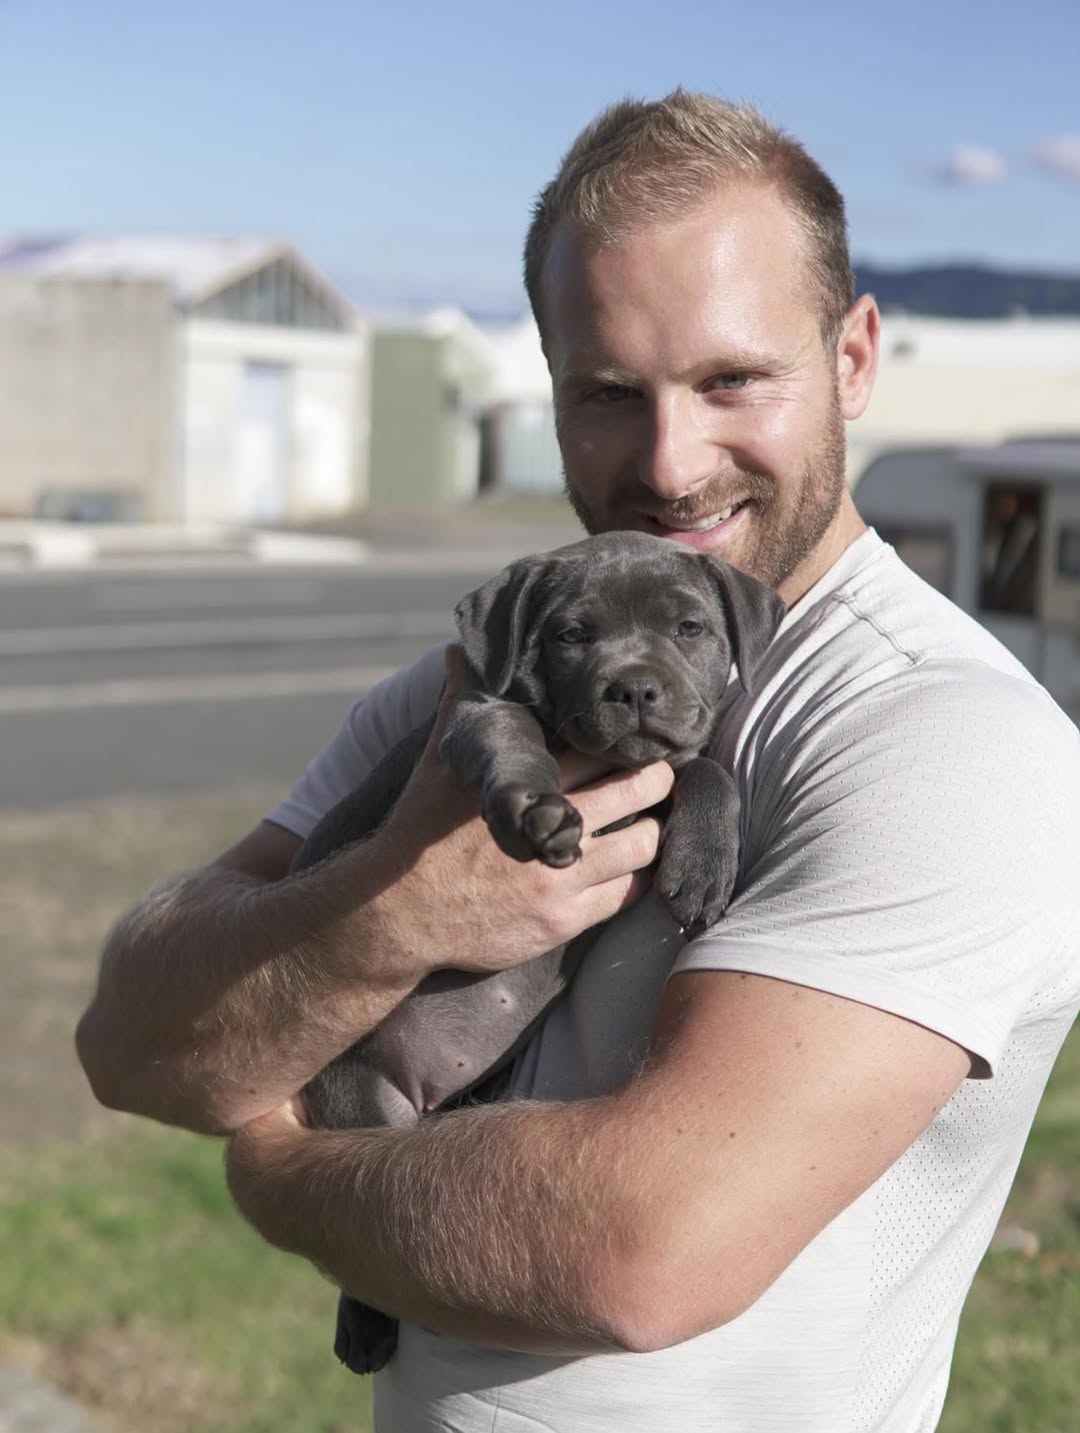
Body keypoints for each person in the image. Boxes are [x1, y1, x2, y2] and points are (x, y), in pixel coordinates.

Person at [76, 91, 1080, 1433]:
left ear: (852, 360)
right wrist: (396, 907)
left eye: (732, 379)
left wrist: (281, 1168)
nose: (670, 462)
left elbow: (638, 1252)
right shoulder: (478, 686)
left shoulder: (948, 739)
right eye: (608, 393)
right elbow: (133, 1041)